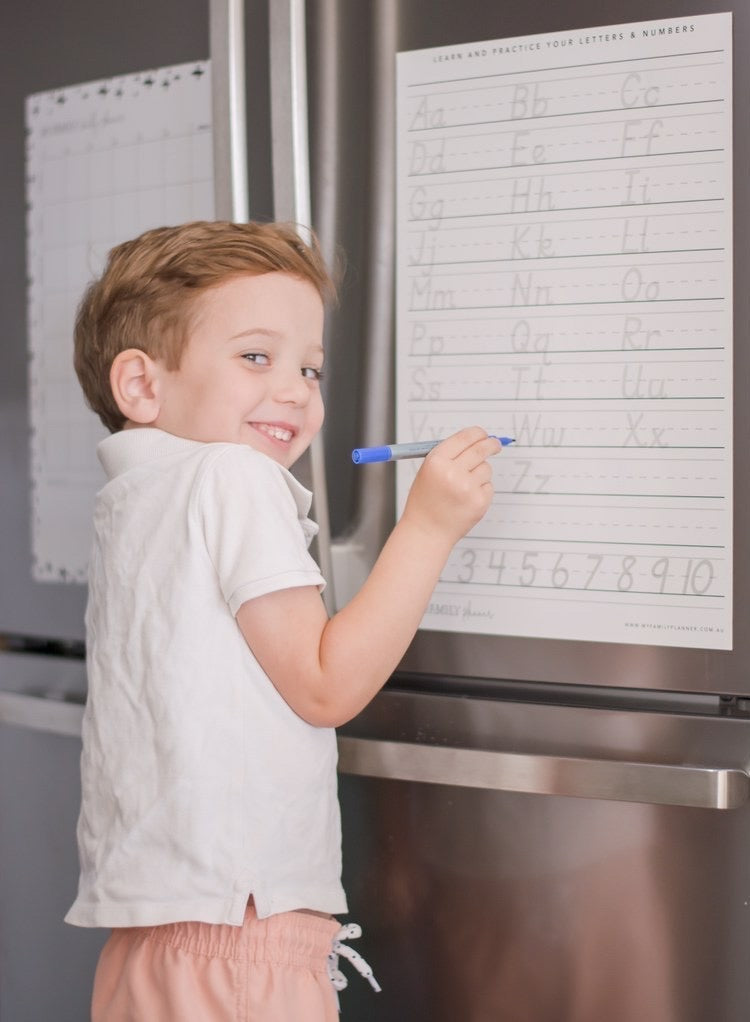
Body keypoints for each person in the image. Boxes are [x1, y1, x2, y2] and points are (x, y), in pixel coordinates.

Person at [66, 219, 502, 1021]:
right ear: (141, 385)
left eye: (310, 365)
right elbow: (326, 684)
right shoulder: (235, 476)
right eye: (256, 357)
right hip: (242, 935)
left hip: (152, 935)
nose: (298, 390)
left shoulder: (133, 498)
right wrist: (429, 526)